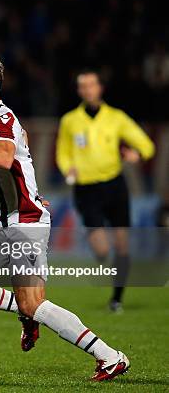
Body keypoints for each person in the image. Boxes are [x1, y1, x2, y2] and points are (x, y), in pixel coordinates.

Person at [0, 52, 129, 381]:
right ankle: (25, 310)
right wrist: (29, 187)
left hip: (25, 225)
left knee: (34, 303)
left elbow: (4, 158)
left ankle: (109, 357)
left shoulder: (2, 119)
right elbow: (22, 151)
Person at [56, 70, 155, 313]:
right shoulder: (70, 120)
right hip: (86, 189)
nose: (88, 90)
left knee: (122, 245)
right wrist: (69, 170)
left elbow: (146, 145)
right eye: (83, 86)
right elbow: (62, 152)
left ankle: (117, 299)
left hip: (114, 185)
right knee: (102, 251)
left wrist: (137, 154)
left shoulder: (116, 118)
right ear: (79, 91)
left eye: (91, 85)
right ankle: (100, 255)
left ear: (100, 88)